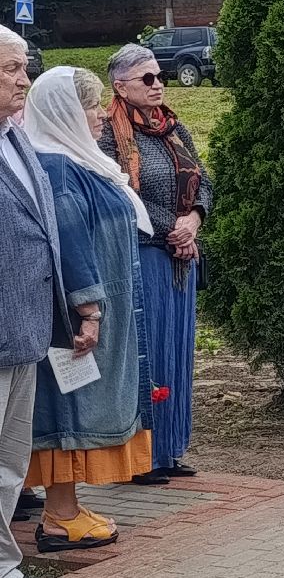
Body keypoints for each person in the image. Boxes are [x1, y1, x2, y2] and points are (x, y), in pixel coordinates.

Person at [23, 67, 155, 549]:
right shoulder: (58, 169)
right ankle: (59, 517)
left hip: (102, 308)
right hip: (78, 319)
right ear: (65, 112)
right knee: (67, 409)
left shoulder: (80, 162)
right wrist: (89, 309)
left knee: (78, 405)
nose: (100, 115)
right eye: (91, 106)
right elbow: (71, 246)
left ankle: (66, 507)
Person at [100, 43, 212, 485]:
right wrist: (175, 228)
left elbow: (204, 179)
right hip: (142, 254)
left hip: (180, 258)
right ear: (120, 86)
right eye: (147, 78)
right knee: (148, 352)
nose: (158, 84)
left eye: (160, 75)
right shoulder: (109, 133)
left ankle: (169, 450)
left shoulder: (173, 127)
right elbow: (124, 195)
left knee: (177, 351)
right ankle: (141, 456)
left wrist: (194, 220)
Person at [0, 23, 70, 578]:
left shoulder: (14, 139)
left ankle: (1, 572)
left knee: (8, 463)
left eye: (22, 67)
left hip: (21, 328)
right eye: (11, 69)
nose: (25, 79)